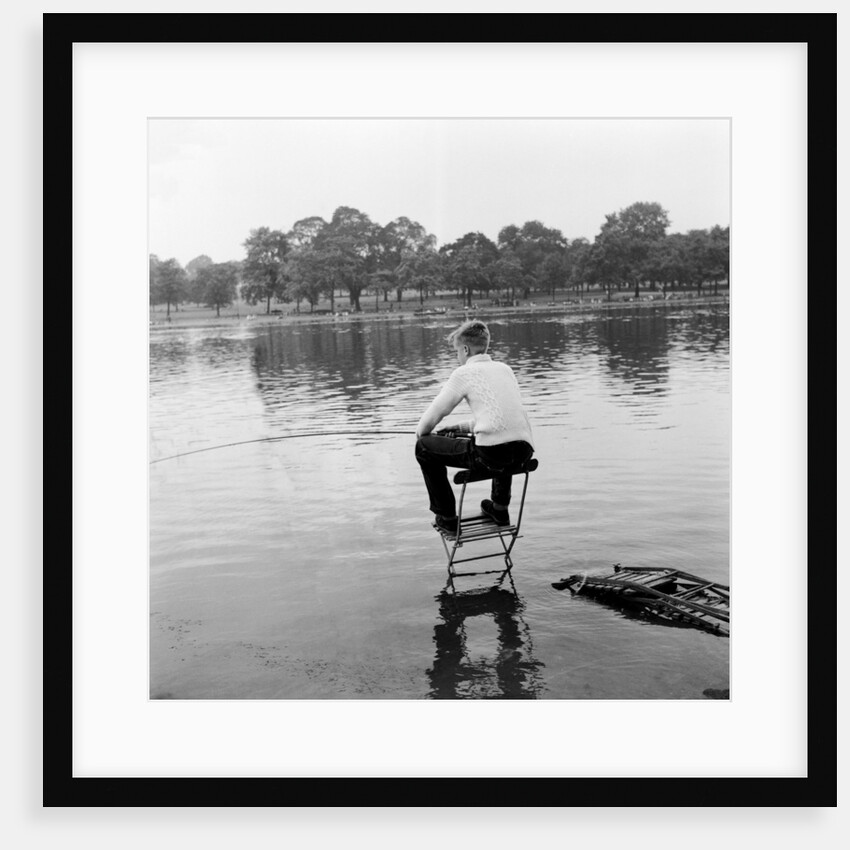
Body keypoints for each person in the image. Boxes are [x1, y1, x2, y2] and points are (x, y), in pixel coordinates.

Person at [414, 320, 534, 537]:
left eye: (457, 352)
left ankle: (447, 518)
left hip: (492, 456)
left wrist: (422, 433)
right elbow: (498, 418)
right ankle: (499, 509)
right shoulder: (505, 370)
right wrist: (456, 429)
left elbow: (436, 412)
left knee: (423, 448)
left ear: (466, 349)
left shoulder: (463, 373)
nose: (457, 357)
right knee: (500, 439)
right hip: (523, 452)